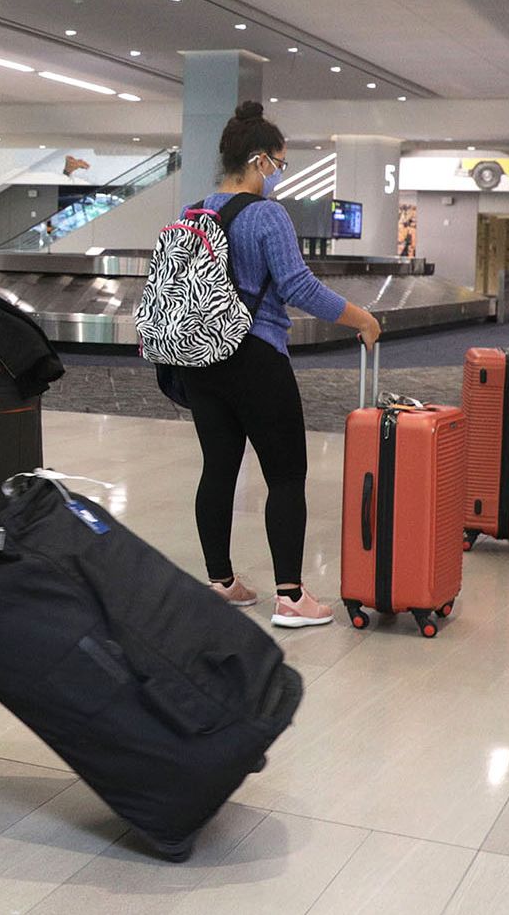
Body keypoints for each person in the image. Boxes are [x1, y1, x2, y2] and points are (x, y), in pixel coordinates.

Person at [184, 102, 382, 629]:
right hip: (255, 358)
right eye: (279, 164)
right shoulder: (266, 214)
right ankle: (291, 597)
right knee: (286, 475)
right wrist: (361, 318)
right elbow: (297, 286)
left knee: (218, 468)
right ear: (258, 160)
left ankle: (220, 582)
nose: (278, 174)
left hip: (200, 357)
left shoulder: (194, 211)